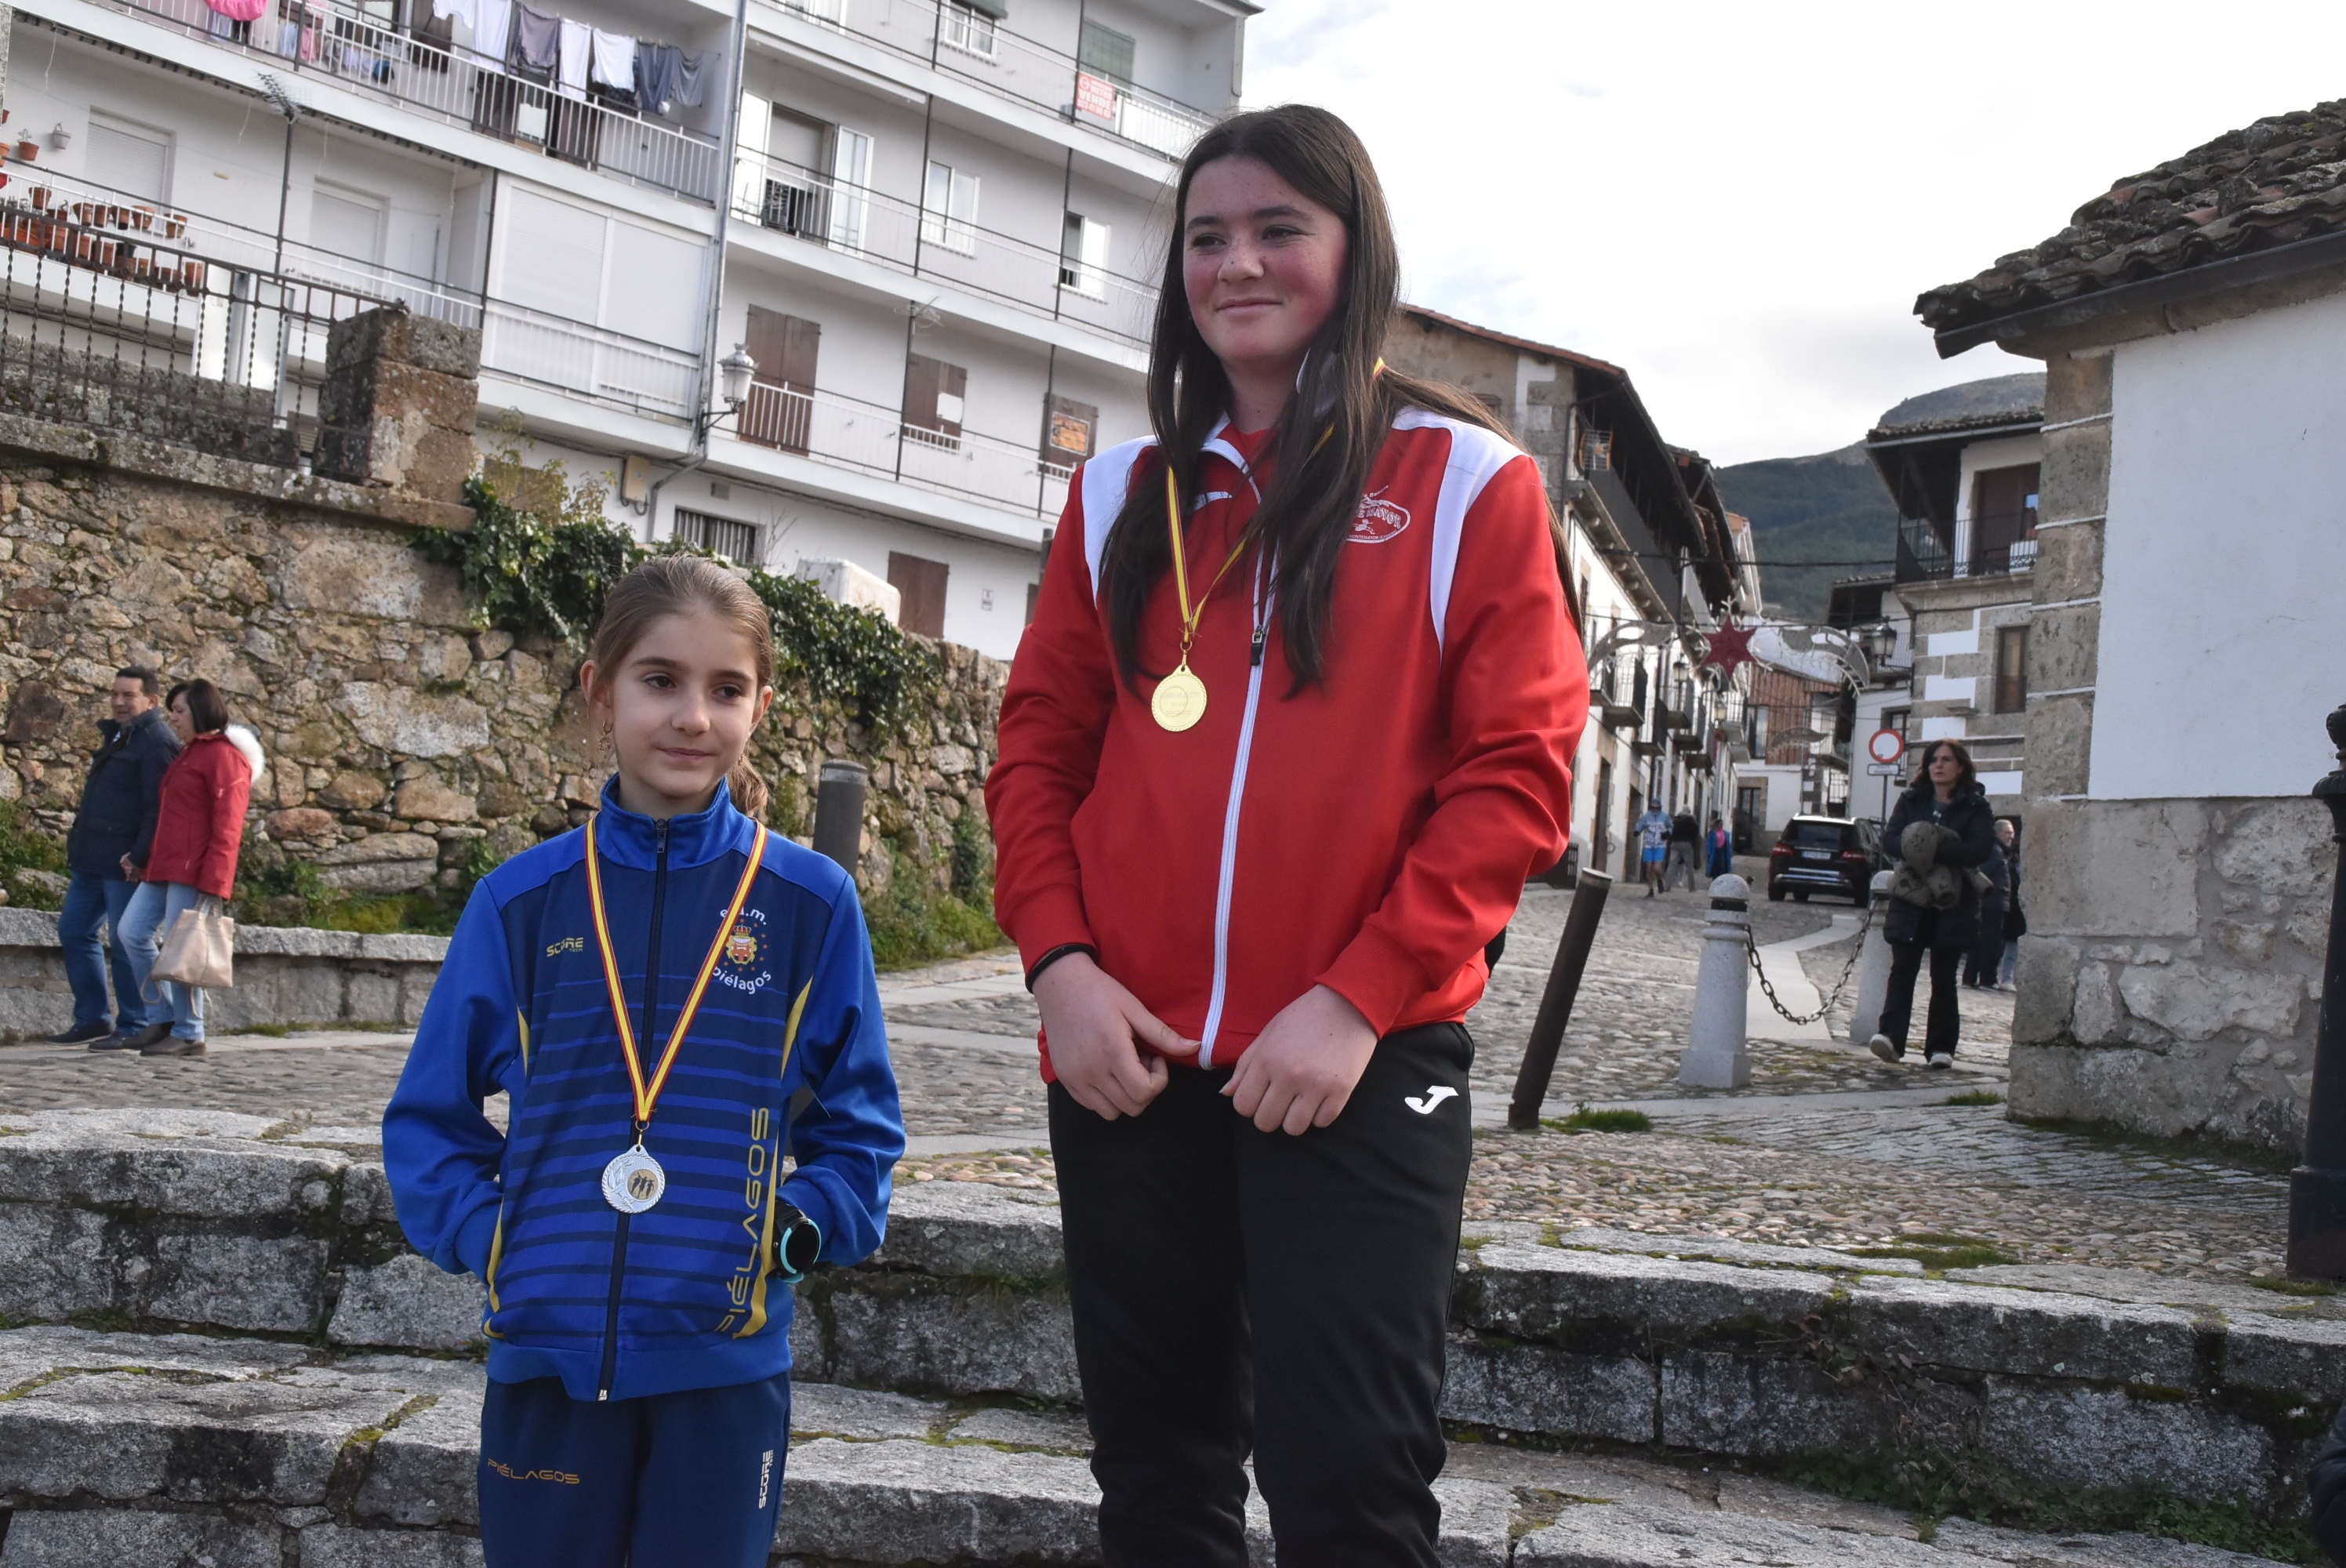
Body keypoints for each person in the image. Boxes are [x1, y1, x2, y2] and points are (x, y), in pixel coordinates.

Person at [986, 104, 1586, 1567]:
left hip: (1354, 1062)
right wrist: (1059, 968)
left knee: (1350, 1488)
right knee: (1158, 1478)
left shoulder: (1466, 485)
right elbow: (1037, 752)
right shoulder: (1121, 494)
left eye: (1276, 230)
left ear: (1351, 251)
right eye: (1206, 238)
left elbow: (1516, 776)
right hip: (1128, 1059)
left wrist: (1355, 1000)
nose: (1235, 263)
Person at [383, 556, 903, 1568]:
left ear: (761, 705)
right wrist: (502, 1241)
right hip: (549, 1369)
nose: (692, 718)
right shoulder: (519, 905)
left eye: (726, 690)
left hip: (724, 1378)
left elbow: (861, 1134)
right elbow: (428, 1124)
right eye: (660, 681)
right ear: (600, 689)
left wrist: (791, 1233)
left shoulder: (810, 906)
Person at [116, 679, 264, 1058]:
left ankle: (189, 1032)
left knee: (183, 949)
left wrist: (216, 880)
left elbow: (228, 825)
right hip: (164, 868)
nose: (173, 718)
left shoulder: (224, 757)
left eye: (179, 711)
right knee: (131, 932)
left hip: (193, 871)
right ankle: (162, 1018)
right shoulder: (192, 753)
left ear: (200, 711)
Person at [53, 666, 180, 1048]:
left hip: (124, 862)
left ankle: (134, 1022)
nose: (119, 702)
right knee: (74, 931)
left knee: (126, 943)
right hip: (92, 858)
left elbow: (158, 807)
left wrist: (139, 855)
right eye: (115, 694)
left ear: (152, 701)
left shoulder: (156, 740)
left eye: (129, 696)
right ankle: (92, 1018)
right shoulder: (120, 736)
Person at [1868, 739, 1995, 1069]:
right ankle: (1891, 1037)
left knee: (1943, 975)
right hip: (1912, 897)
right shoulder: (1911, 800)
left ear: (1961, 767)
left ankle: (1940, 1048)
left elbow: (1979, 848)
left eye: (1946, 760)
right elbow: (1892, 839)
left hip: (1953, 901)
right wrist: (1917, 847)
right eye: (1933, 760)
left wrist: (1933, 846)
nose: (1938, 765)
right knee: (1903, 969)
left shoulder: (1976, 806)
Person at [1963, 829, 2010, 989]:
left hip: (1994, 902)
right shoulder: (1994, 851)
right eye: (2007, 832)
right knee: (1990, 943)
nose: (2011, 836)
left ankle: (1973, 977)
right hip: (1992, 903)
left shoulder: (1998, 851)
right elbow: (1984, 874)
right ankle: (1986, 978)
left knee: (1985, 942)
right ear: (1998, 833)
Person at [1996, 818, 2024, 988]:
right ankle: (2005, 978)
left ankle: (2006, 978)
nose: (2010, 837)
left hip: (2011, 906)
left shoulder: (2007, 855)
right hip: (2009, 906)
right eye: (2008, 833)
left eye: (2012, 834)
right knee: (2008, 946)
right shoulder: (2001, 854)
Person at [1634, 804, 1672, 896]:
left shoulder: (1664, 817)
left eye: (1657, 808)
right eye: (1653, 808)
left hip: (1660, 846)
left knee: (1657, 868)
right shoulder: (1647, 816)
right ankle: (1650, 890)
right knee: (1648, 868)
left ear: (1660, 808)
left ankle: (1659, 879)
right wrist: (1637, 831)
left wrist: (1668, 833)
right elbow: (1640, 824)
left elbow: (1671, 826)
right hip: (1649, 845)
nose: (1655, 810)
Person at [1665, 808, 1699, 891]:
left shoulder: (1675, 821)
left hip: (1674, 844)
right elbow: (1696, 834)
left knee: (1672, 865)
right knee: (1690, 867)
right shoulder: (1692, 821)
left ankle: (1667, 886)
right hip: (1686, 844)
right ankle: (1692, 888)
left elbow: (1670, 832)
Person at [1704, 813, 1734, 880]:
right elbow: (1709, 843)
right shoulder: (1713, 833)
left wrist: (1730, 852)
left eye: (1722, 824)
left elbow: (1728, 844)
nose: (1721, 825)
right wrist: (1709, 852)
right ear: (1717, 825)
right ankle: (1715, 879)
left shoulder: (1725, 834)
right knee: (1715, 867)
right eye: (1720, 824)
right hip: (1715, 852)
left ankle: (1721, 880)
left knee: (1722, 867)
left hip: (1722, 852)